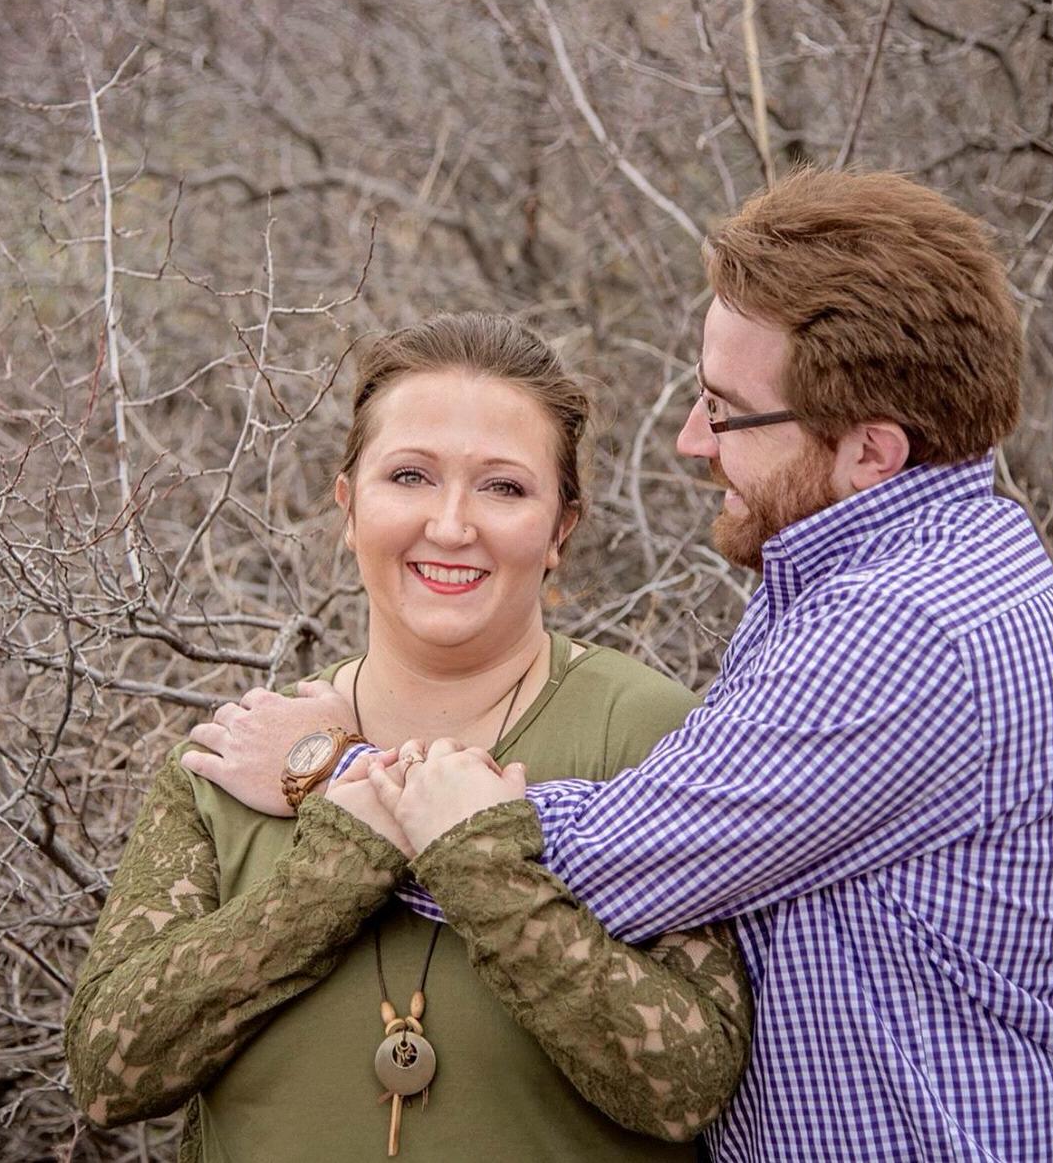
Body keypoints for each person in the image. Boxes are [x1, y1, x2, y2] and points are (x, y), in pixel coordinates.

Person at [193, 168, 1053, 1161]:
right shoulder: (964, 572)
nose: (688, 439)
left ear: (870, 452)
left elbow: (604, 867)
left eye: (725, 410)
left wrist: (326, 769)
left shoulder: (905, 630)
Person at [63, 313, 751, 1161]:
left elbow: (686, 1084)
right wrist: (338, 864)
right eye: (410, 475)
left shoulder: (653, 736)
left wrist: (478, 860)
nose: (452, 525)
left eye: (504, 487)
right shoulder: (236, 759)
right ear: (349, 505)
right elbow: (109, 1072)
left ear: (561, 529)